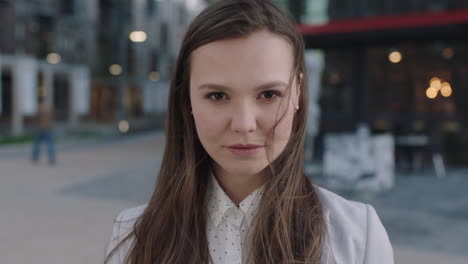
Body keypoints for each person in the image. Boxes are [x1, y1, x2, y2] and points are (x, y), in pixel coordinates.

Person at [105, 1, 394, 263]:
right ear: (187, 99)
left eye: (268, 94)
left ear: (297, 94)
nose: (244, 124)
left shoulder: (357, 237)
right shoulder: (132, 237)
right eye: (218, 96)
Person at [32, 96, 56, 165]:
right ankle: (52, 158)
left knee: (37, 144)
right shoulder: (49, 108)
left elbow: (36, 118)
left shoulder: (39, 108)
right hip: (48, 128)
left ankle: (35, 157)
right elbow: (53, 117)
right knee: (50, 144)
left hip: (40, 128)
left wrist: (35, 126)